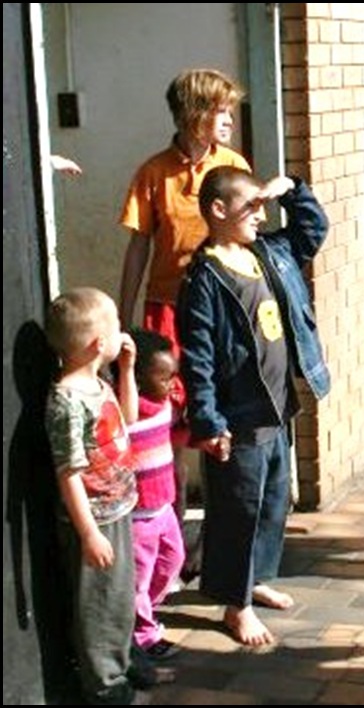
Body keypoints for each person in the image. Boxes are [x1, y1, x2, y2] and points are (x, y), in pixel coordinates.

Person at [176, 165, 331, 646]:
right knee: (237, 510)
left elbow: (313, 231)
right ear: (219, 210)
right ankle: (234, 605)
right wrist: (208, 420)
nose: (260, 215)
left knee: (270, 503)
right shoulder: (204, 278)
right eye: (251, 206)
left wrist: (293, 191)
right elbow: (197, 357)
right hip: (237, 417)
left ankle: (255, 579)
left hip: (276, 409)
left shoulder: (267, 253)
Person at [118, 67, 251, 577]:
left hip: (222, 312)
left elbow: (248, 236)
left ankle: (218, 551)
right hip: (168, 312)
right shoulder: (154, 173)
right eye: (221, 111)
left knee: (221, 428)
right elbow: (138, 247)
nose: (229, 120)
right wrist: (126, 318)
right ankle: (168, 554)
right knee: (167, 435)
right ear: (195, 116)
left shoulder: (233, 165)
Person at [43, 287, 139, 704]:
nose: (123, 332)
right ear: (99, 343)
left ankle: (124, 662)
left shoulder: (98, 383)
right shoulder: (66, 401)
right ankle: (105, 687)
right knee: (99, 606)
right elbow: (69, 474)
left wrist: (128, 371)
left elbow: (129, 419)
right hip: (96, 520)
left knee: (119, 599)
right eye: (117, 325)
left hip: (119, 508)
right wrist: (88, 534)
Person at [123, 327, 188, 660]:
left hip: (164, 509)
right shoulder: (125, 417)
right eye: (165, 378)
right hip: (137, 517)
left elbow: (173, 436)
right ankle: (144, 634)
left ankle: (145, 610)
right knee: (138, 578)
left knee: (173, 560)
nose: (172, 385)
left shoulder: (166, 408)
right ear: (136, 378)